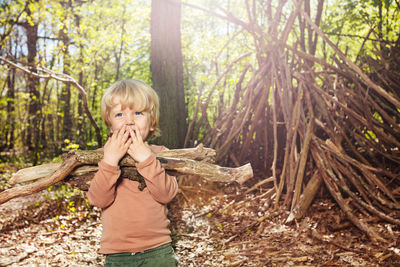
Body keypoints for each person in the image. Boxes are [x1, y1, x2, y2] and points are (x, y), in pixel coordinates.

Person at [87, 79, 179, 267]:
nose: (129, 121)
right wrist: (110, 161)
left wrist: (146, 158)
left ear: (151, 122)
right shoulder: (102, 157)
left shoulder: (161, 153)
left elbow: (167, 194)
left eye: (138, 113)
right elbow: (98, 199)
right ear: (110, 124)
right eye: (119, 114)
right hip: (117, 254)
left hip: (158, 250)